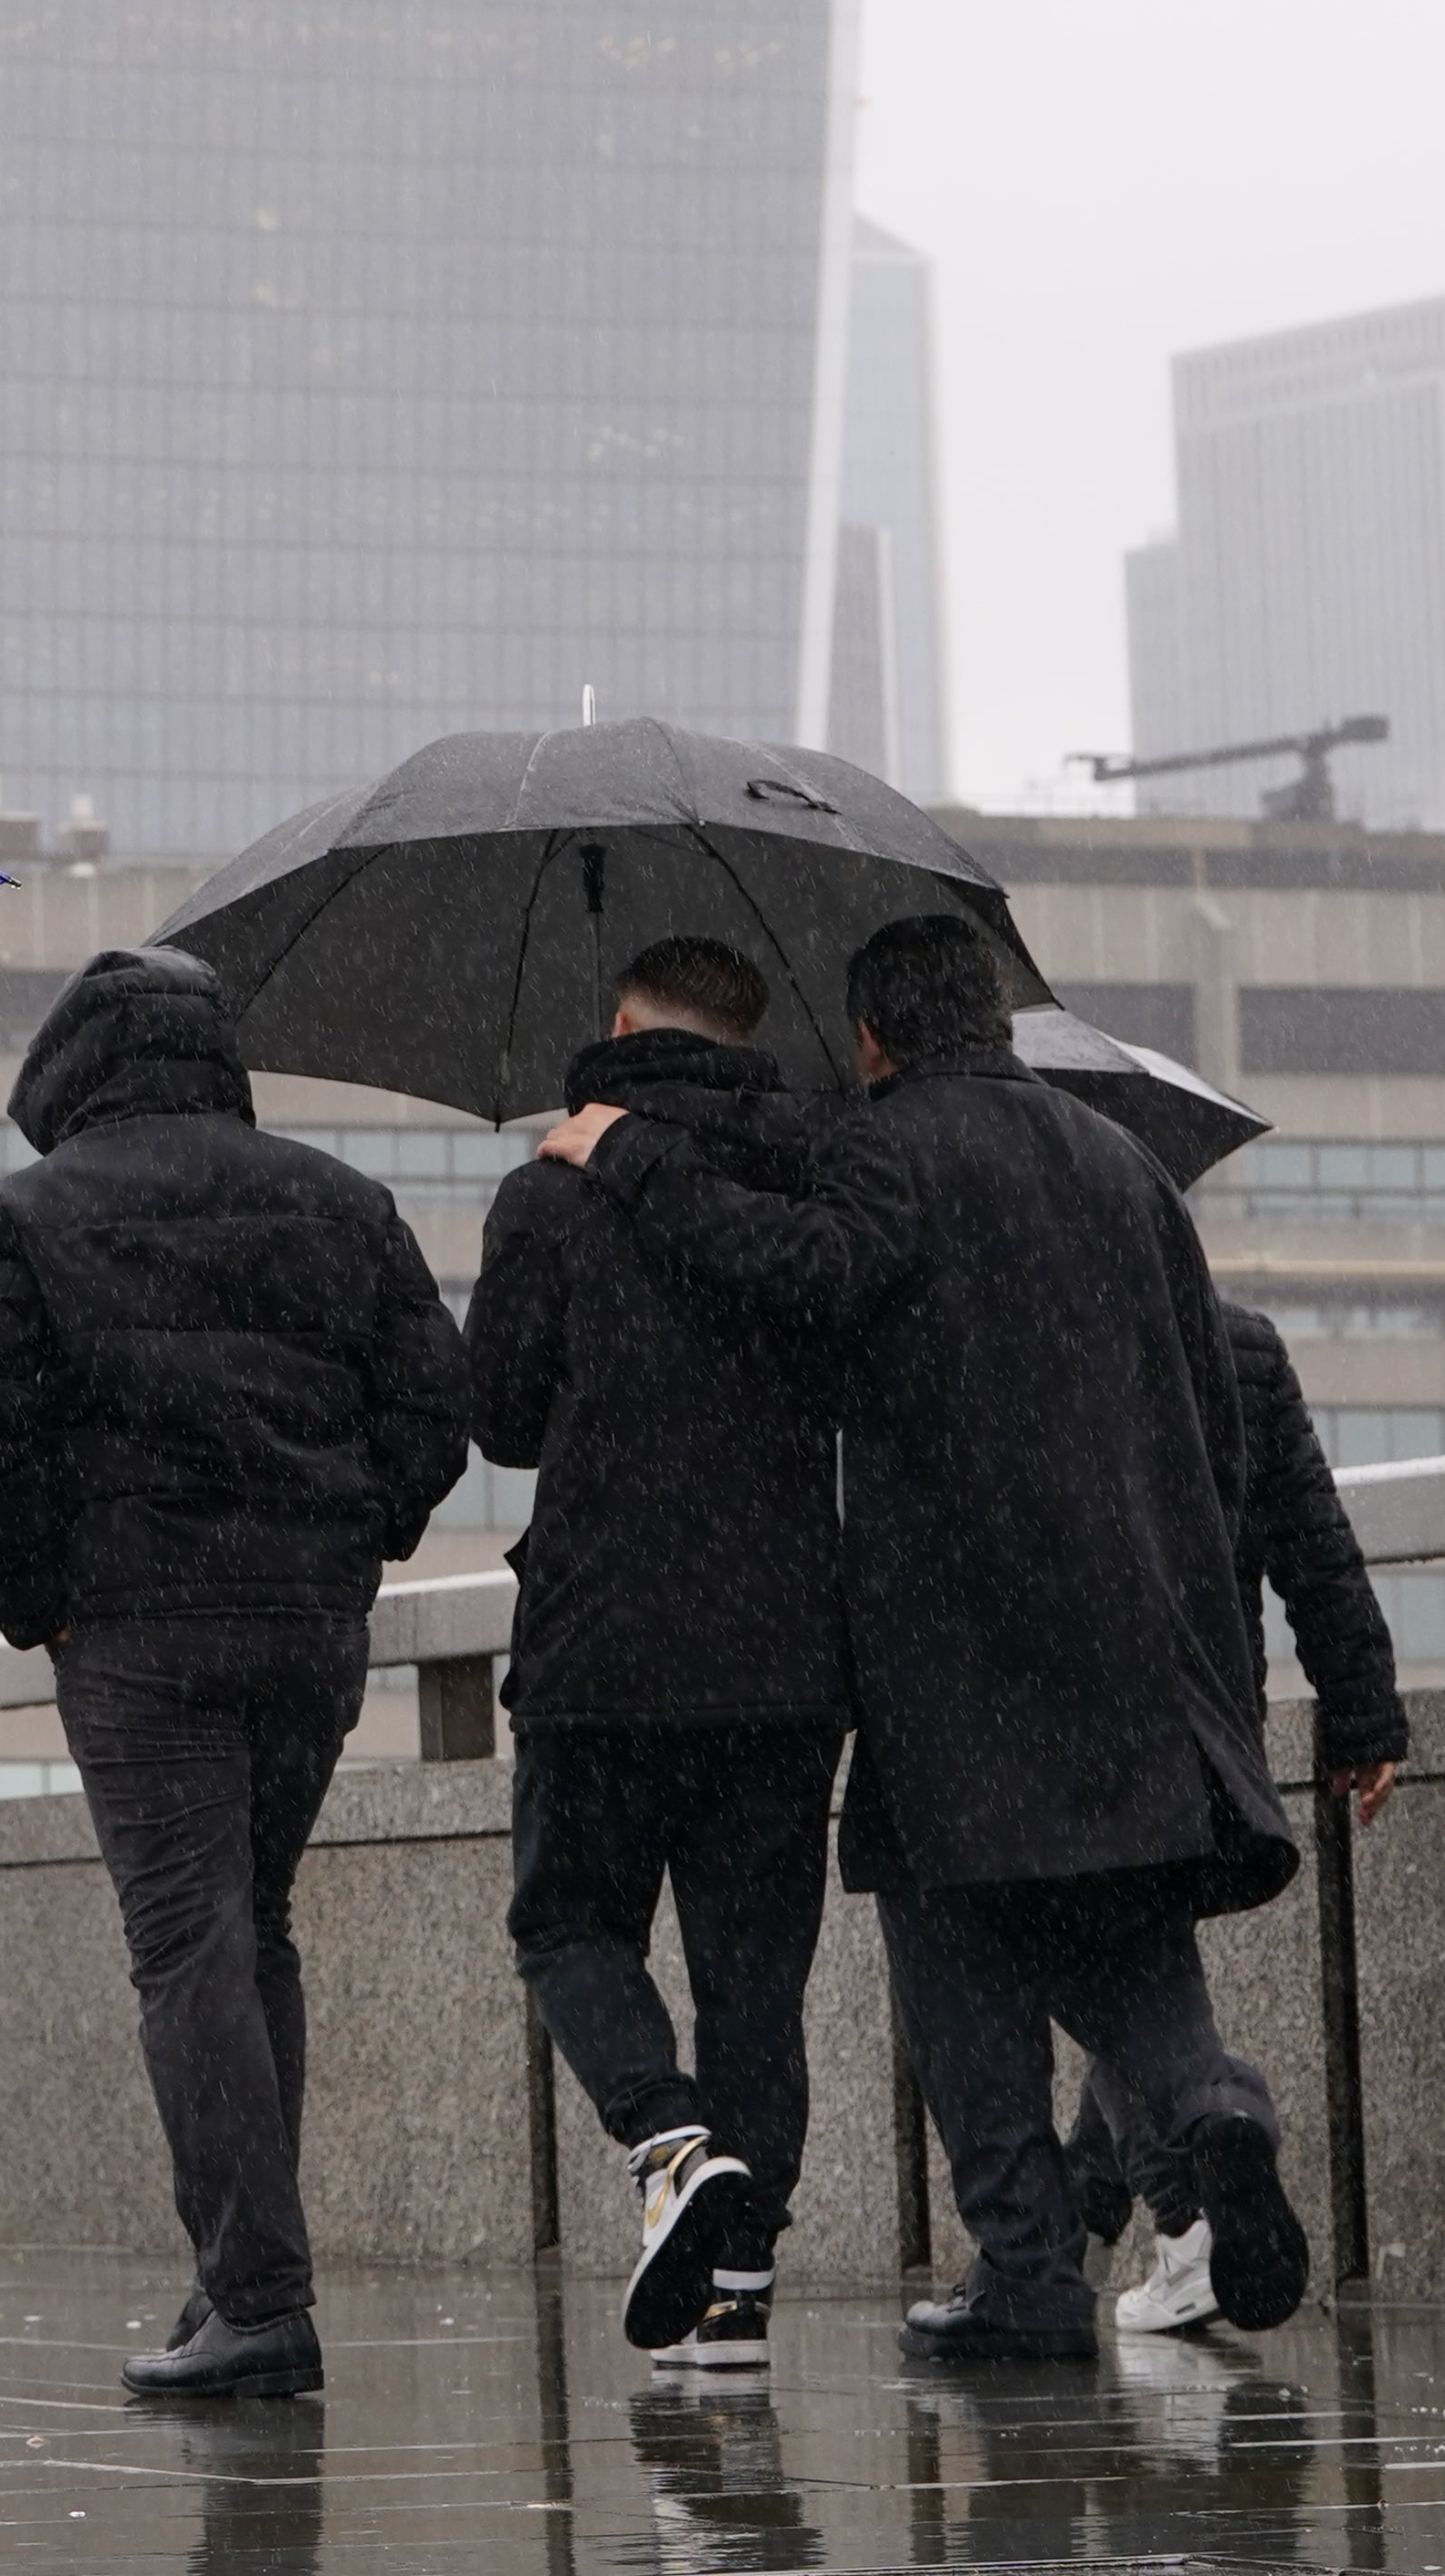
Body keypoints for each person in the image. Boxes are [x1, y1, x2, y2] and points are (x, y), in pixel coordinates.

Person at [543, 912, 1310, 2363]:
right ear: (997, 1022)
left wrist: (628, 1152)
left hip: (962, 1645)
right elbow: (1214, 1420)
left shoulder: (888, 1149)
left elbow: (796, 1272)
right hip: (1142, 1644)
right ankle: (1217, 2114)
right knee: (1132, 1956)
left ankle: (1025, 2276)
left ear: (877, 1039)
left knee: (958, 1960)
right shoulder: (1123, 1168)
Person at [0, 948, 471, 2406]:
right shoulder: (338, 1200)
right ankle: (243, 2269)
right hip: (305, 1623)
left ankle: (257, 2291)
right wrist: (357, 1536)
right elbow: (435, 1402)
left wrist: (46, 1597)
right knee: (255, 1928)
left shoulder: (22, 1219)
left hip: (140, 1629)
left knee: (186, 1943)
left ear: (68, 1073)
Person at [464, 937, 847, 2373]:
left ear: (617, 1023)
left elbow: (498, 1417)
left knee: (570, 1926)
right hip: (784, 1648)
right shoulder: (814, 1180)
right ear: (749, 1038)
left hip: (603, 1640)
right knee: (756, 1973)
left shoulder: (550, 1191)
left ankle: (669, 2141)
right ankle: (738, 2296)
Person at [1073, 1293, 1414, 2335]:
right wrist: (1364, 1715)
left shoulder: (1042, 1326)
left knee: (1108, 1969)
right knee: (1138, 1961)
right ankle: (1087, 2223)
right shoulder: (1238, 1343)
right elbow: (1311, 1537)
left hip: (1066, 1721)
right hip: (1213, 1726)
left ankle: (1187, 2220)